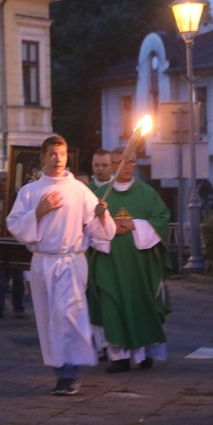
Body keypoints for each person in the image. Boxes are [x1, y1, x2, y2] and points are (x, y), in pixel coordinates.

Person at [6, 135, 115, 396]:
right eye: (53, 154)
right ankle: (61, 371)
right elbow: (15, 226)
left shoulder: (79, 190)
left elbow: (101, 232)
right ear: (42, 157)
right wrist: (38, 211)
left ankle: (70, 373)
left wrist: (102, 215)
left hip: (71, 261)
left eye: (62, 154)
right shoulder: (30, 192)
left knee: (69, 315)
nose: (58, 159)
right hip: (43, 262)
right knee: (50, 320)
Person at [89, 146, 173, 373]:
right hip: (109, 263)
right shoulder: (100, 195)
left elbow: (162, 219)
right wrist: (106, 224)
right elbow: (86, 225)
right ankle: (119, 357)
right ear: (112, 165)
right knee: (112, 305)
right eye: (120, 162)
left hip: (140, 263)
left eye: (130, 162)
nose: (126, 167)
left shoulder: (147, 193)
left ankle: (144, 354)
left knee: (141, 304)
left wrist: (135, 224)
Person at [86, 147, 114, 360]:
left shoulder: (119, 189)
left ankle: (115, 340)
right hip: (90, 255)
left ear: (112, 166)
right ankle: (100, 343)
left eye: (104, 165)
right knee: (93, 299)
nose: (100, 169)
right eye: (96, 165)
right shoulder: (84, 191)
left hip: (116, 255)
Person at [0, 170, 25, 319]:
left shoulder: (18, 198)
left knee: (17, 276)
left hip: (15, 240)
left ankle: (18, 307)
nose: (2, 183)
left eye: (5, 180)